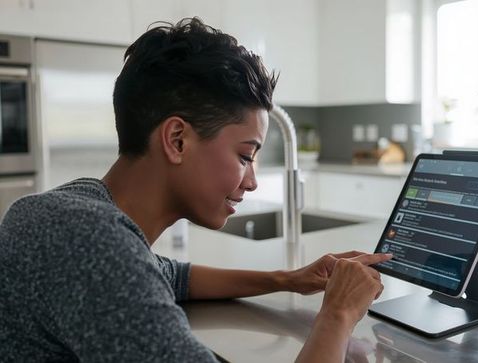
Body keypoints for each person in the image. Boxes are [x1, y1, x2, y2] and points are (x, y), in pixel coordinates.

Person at [0, 18, 391, 362]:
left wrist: (286, 279)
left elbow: (170, 275)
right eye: (245, 155)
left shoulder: (76, 208)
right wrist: (337, 314)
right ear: (177, 140)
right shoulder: (90, 242)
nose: (252, 181)